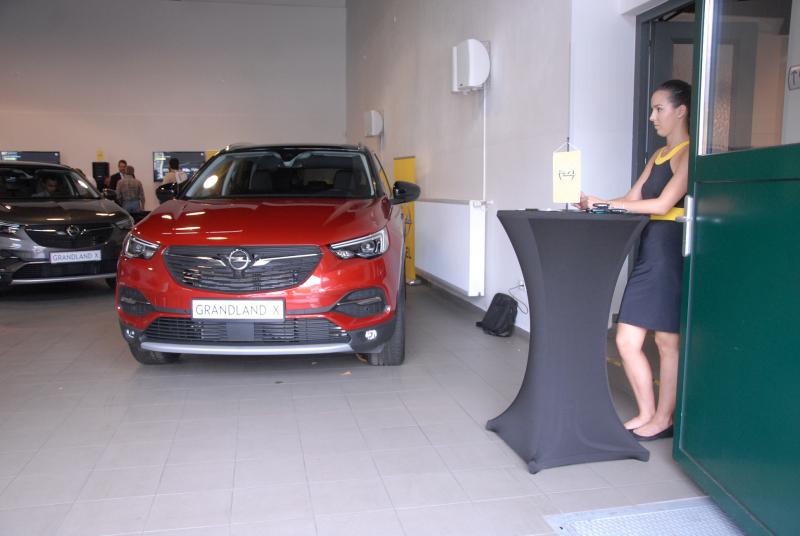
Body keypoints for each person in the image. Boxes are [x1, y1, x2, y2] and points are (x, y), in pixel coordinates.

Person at [578, 79, 691, 441]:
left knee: (667, 343)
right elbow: (631, 199)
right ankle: (647, 413)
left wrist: (607, 204)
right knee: (627, 341)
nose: (652, 117)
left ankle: (663, 418)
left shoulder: (689, 154)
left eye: (659, 109)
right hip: (650, 251)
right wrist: (596, 202)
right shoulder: (658, 156)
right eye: (652, 109)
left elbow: (663, 203)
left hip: (669, 254)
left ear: (681, 111)